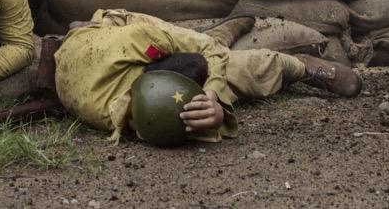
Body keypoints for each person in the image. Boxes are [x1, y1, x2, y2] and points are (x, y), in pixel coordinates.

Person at [53, 9, 363, 144]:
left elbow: (210, 54)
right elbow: (169, 126)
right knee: (235, 75)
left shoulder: (143, 38)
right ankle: (295, 65)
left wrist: (213, 95)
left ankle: (298, 66)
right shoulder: (121, 112)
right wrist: (213, 116)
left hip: (116, 30)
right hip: (101, 37)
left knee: (220, 58)